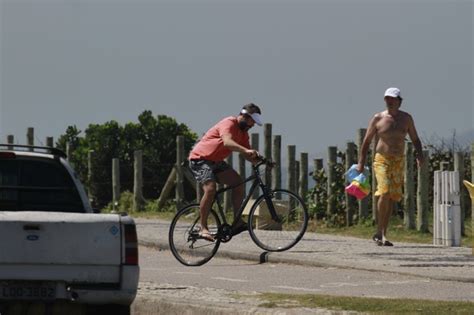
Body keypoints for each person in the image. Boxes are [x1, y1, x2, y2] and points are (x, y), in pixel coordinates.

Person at [357, 87, 424, 246]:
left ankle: (383, 233)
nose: (389, 101)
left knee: (392, 196)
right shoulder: (378, 118)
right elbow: (366, 142)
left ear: (399, 101)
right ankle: (379, 232)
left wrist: (420, 155)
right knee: (384, 191)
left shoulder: (406, 119)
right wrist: (361, 162)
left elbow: (415, 138)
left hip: (398, 160)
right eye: (387, 98)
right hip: (382, 159)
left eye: (393, 99)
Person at [188, 103, 262, 241]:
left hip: (216, 162)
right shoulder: (229, 122)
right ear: (245, 116)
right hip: (200, 160)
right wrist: (246, 150)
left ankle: (237, 221)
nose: (252, 126)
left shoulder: (243, 134)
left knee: (238, 183)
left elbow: (247, 154)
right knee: (210, 189)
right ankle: (202, 228)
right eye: (252, 122)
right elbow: (227, 142)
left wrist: (262, 161)